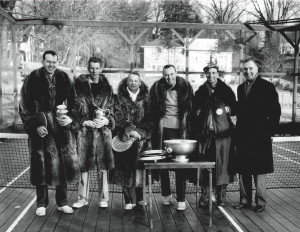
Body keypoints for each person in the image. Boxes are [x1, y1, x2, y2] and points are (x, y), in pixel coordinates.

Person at [19, 50, 79, 216]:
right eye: (48, 61)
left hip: (62, 131)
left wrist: (70, 119)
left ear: (57, 61)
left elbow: (75, 104)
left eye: (54, 61)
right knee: (41, 165)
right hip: (41, 132)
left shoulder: (65, 78)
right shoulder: (32, 79)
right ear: (43, 61)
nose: (51, 65)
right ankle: (41, 204)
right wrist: (34, 126)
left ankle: (62, 202)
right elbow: (24, 107)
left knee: (63, 166)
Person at [234, 58, 281, 213]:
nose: (248, 71)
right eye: (245, 69)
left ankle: (261, 203)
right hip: (243, 136)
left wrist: (268, 132)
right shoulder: (240, 88)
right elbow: (240, 110)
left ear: (257, 69)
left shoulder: (267, 87)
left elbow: (275, 112)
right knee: (243, 170)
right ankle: (244, 201)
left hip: (260, 136)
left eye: (250, 68)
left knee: (259, 171)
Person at [148, 64, 193, 211]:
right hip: (162, 131)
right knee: (163, 164)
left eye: (172, 74)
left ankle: (181, 199)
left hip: (181, 132)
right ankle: (166, 195)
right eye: (166, 75)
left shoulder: (186, 87)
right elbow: (151, 110)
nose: (169, 77)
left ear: (176, 73)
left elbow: (190, 110)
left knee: (180, 165)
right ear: (163, 75)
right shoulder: (156, 88)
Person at [72, 57, 115, 209]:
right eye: (91, 68)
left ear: (101, 69)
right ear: (88, 68)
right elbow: (73, 110)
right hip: (85, 133)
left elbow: (113, 112)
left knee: (102, 167)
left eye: (97, 68)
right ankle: (82, 198)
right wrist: (84, 121)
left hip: (103, 134)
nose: (94, 71)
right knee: (84, 166)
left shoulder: (107, 89)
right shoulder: (78, 87)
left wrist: (106, 121)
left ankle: (103, 198)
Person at [192, 63, 236, 207]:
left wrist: (230, 108)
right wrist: (197, 112)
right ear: (206, 74)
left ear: (218, 74)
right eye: (208, 73)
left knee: (223, 164)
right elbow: (194, 109)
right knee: (205, 163)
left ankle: (221, 195)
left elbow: (234, 107)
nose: (211, 75)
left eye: (214, 72)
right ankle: (205, 193)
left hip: (223, 135)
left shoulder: (227, 90)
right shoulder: (200, 91)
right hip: (205, 135)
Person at [112, 72, 153, 210]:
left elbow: (150, 120)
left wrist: (140, 133)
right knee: (124, 168)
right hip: (124, 137)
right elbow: (118, 118)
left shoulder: (147, 98)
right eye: (131, 80)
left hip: (142, 139)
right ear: (126, 82)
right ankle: (128, 200)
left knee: (140, 168)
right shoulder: (118, 98)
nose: (133, 83)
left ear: (140, 83)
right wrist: (129, 131)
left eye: (136, 81)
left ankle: (140, 198)